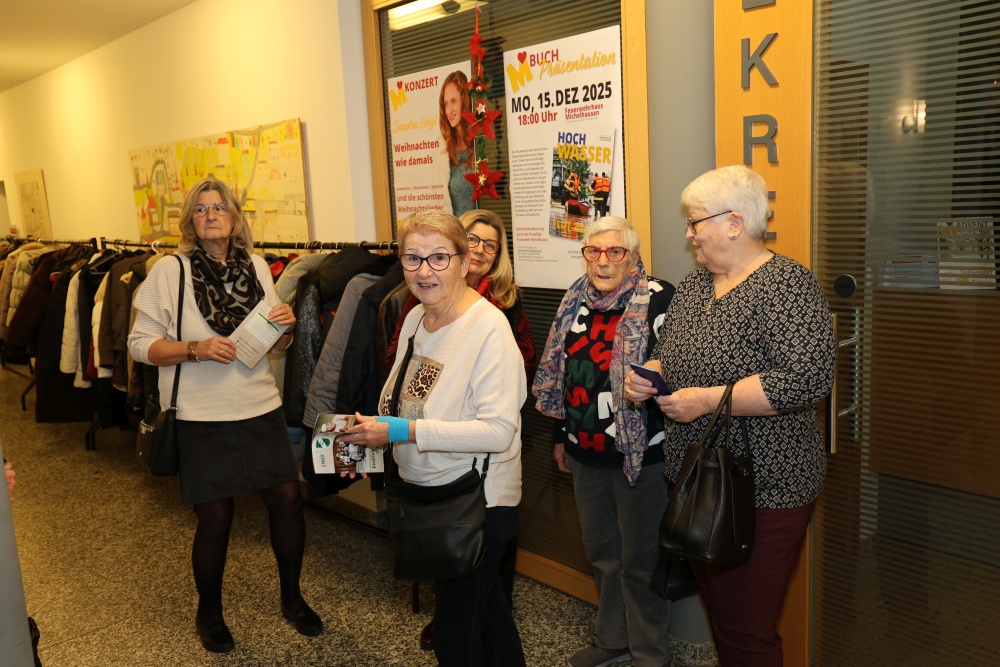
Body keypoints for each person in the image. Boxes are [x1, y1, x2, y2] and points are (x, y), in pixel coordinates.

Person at [627, 165, 836, 666]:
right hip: (698, 478)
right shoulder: (695, 285)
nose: (689, 234)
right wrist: (652, 373)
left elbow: (806, 379)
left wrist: (706, 400)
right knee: (722, 612)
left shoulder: (786, 285)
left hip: (765, 487)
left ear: (735, 223)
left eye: (695, 221)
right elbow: (669, 352)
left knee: (746, 628)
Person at [128, 177, 322, 654]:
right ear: (190, 221)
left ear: (234, 218)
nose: (211, 215)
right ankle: (209, 613)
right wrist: (194, 349)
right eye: (201, 209)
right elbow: (138, 345)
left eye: (219, 207)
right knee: (215, 517)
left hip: (260, 406)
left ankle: (292, 598)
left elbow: (272, 342)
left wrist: (285, 328)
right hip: (201, 414)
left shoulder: (255, 266)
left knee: (288, 500)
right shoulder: (170, 271)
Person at [342, 209, 527, 667]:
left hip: (477, 501)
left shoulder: (489, 329)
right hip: (428, 493)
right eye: (413, 258)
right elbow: (406, 401)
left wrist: (400, 431)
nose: (424, 271)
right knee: (490, 619)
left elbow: (498, 431)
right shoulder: (415, 319)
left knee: (456, 633)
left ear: (465, 262)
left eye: (439, 257)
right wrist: (371, 437)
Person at [532, 216, 675, 667]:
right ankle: (613, 641)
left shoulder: (659, 298)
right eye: (593, 251)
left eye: (615, 251)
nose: (603, 261)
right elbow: (565, 377)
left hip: (642, 454)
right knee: (603, 555)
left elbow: (676, 371)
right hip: (584, 450)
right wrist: (561, 435)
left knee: (641, 561)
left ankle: (650, 655)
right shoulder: (573, 299)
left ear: (633, 257)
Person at [439, 71, 476, 216]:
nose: (449, 111)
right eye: (446, 104)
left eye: (454, 101)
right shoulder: (441, 150)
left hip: (481, 227)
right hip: (454, 229)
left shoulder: (479, 141)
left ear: (464, 101)